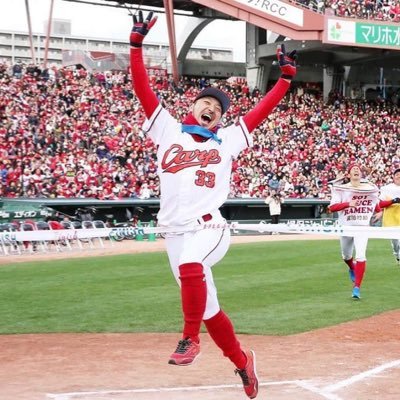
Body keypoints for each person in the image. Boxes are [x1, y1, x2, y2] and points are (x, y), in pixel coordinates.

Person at [129, 11, 297, 399]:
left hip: (209, 227)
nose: (212, 108)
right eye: (207, 102)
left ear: (221, 120)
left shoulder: (229, 141)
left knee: (192, 266)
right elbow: (142, 91)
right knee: (208, 309)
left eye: (218, 108)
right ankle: (243, 365)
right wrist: (136, 47)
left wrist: (285, 79)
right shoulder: (169, 130)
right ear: (193, 107)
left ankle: (189, 340)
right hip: (174, 231)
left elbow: (260, 112)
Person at [328, 163, 395, 299]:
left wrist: (380, 211)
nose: (357, 170)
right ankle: (352, 267)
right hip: (346, 226)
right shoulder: (341, 189)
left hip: (362, 227)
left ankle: (357, 288)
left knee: (361, 256)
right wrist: (348, 204)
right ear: (349, 174)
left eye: (358, 169)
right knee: (346, 256)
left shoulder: (369, 189)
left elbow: (375, 204)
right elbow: (332, 207)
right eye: (353, 169)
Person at [376, 168, 400, 265]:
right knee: (395, 242)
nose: (399, 176)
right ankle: (397, 254)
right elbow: (380, 204)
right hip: (391, 218)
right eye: (397, 174)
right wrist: (393, 201)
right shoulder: (386, 188)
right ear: (393, 177)